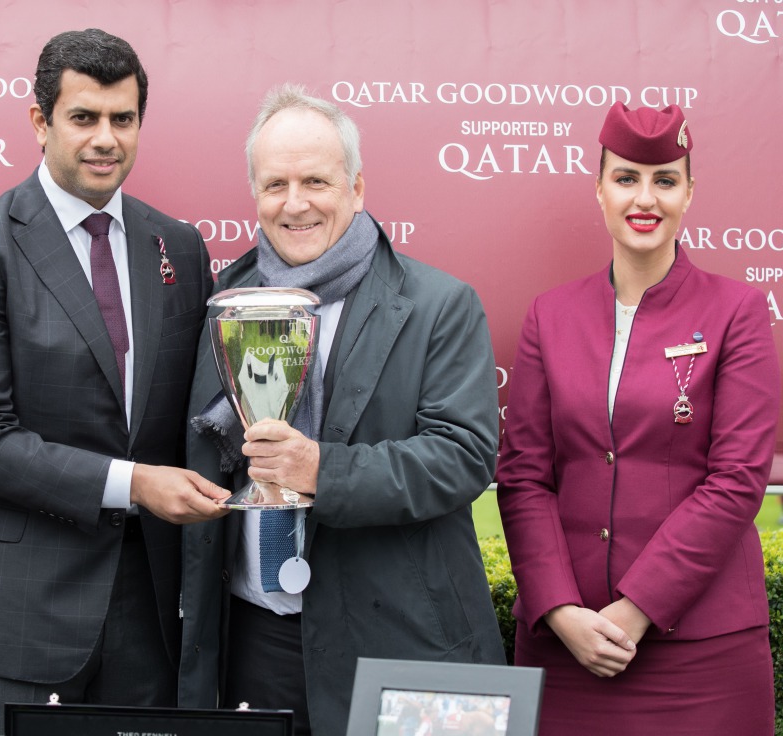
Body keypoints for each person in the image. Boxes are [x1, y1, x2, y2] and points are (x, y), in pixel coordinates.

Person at [0, 28, 229, 735]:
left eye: (123, 119)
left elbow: (197, 410)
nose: (105, 139)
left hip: (148, 610)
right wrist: (137, 483)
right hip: (13, 611)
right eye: (84, 118)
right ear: (40, 121)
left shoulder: (176, 244)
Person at [179, 84, 505, 736]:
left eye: (316, 182)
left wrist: (319, 469)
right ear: (255, 194)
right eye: (275, 185)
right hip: (254, 638)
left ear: (356, 189)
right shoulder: (226, 302)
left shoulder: (440, 304)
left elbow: (463, 456)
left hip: (396, 640)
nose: (294, 204)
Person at [496, 102, 780, 734]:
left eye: (665, 179)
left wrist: (635, 609)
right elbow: (524, 477)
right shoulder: (550, 316)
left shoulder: (738, 311)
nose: (644, 197)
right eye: (626, 178)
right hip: (565, 644)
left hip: (703, 652)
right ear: (598, 189)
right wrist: (560, 609)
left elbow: (737, 480)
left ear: (689, 192)